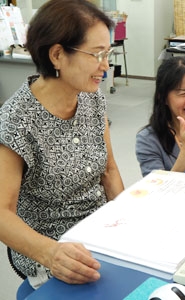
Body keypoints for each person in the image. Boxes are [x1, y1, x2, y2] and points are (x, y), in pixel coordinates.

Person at [0, 0, 124, 289]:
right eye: (96, 54)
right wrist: (52, 253)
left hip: (101, 233)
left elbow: (110, 171)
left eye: (108, 53)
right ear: (57, 55)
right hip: (53, 252)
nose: (105, 66)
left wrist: (125, 220)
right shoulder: (16, 120)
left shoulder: (92, 99)